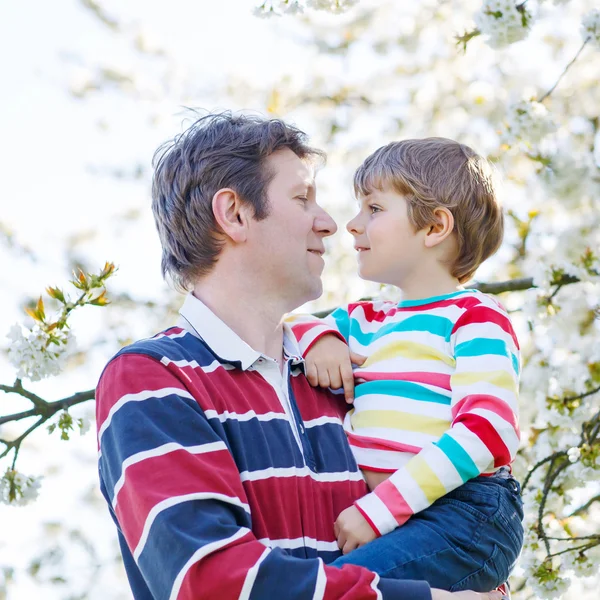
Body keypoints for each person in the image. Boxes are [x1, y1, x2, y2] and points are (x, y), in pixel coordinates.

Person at [96, 112, 508, 600]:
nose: (330, 223)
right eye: (302, 198)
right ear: (234, 213)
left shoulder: (348, 378)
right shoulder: (155, 379)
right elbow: (210, 583)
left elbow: (446, 540)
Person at [287, 138, 524, 592]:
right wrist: (323, 339)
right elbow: (288, 329)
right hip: (401, 517)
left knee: (332, 590)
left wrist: (378, 512)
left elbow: (488, 431)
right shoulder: (365, 319)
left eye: (374, 209)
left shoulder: (475, 317)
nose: (352, 226)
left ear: (434, 226)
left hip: (462, 513)